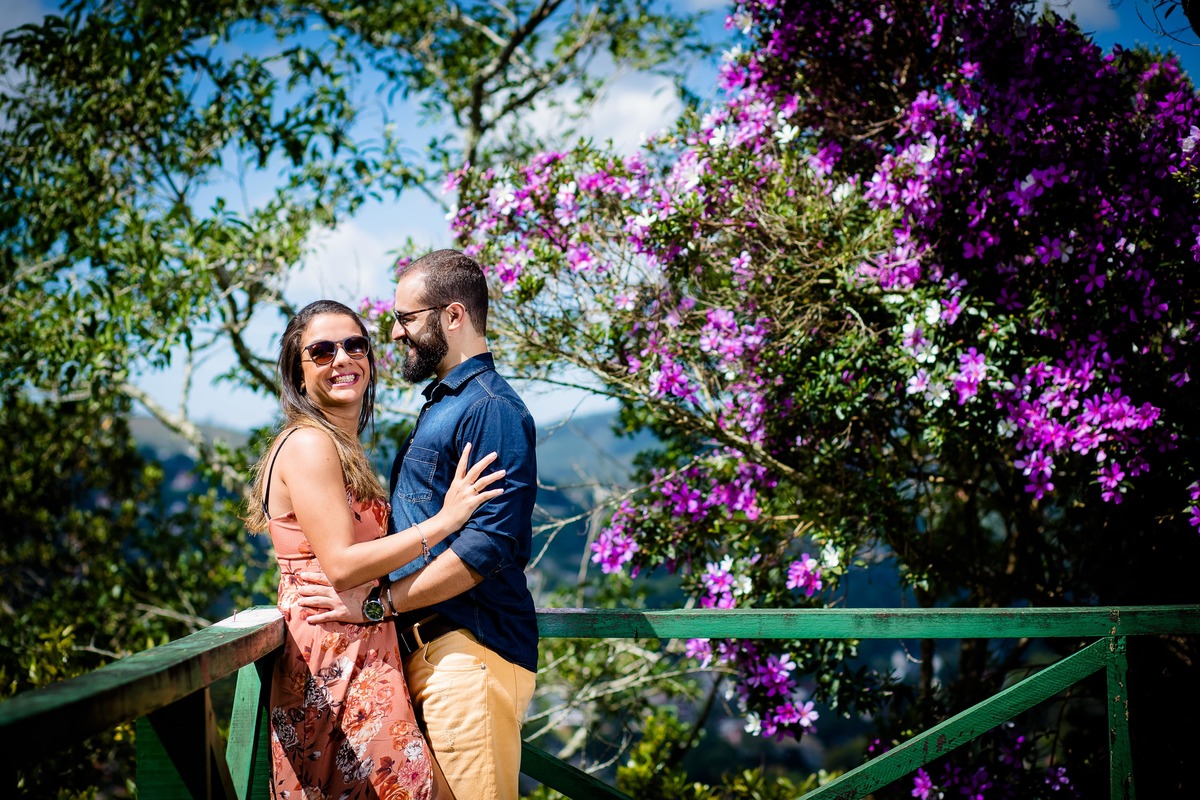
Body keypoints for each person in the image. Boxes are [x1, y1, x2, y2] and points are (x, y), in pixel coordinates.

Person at [298, 250, 540, 800]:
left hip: (466, 659)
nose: (397, 332)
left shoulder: (490, 408)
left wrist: (382, 603)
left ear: (452, 316)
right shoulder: (445, 405)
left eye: (407, 318)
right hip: (431, 658)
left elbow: (488, 545)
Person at [243, 298, 505, 799]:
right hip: (334, 659)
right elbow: (340, 564)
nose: (342, 359)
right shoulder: (309, 444)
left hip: (362, 647)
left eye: (354, 345)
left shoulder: (340, 445)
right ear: (299, 376)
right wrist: (446, 521)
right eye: (321, 351)